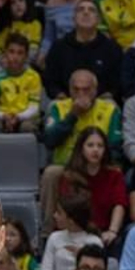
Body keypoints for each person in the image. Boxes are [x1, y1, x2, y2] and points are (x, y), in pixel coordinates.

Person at [39, 69, 122, 227]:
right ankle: (48, 231)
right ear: (69, 90)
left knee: (116, 171)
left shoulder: (110, 110)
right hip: (66, 165)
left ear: (95, 90)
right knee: (50, 173)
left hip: (98, 165)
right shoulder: (58, 108)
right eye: (76, 90)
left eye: (86, 89)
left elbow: (115, 146)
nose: (81, 94)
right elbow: (49, 140)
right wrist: (72, 115)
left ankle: (110, 228)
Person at [60, 126, 128, 253]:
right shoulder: (70, 176)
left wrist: (112, 231)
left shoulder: (114, 175)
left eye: (100, 146)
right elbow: (68, 209)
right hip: (77, 232)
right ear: (81, 148)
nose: (95, 150)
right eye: (90, 145)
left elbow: (119, 204)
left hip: (105, 233)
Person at [44, 0, 121, 102]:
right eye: (81, 9)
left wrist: (109, 95)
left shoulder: (111, 48)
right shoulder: (59, 47)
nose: (86, 12)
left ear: (98, 19)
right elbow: (50, 80)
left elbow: (119, 81)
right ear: (74, 18)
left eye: (91, 10)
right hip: (66, 101)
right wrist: (59, 95)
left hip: (101, 104)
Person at [40, 194, 103, 270]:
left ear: (71, 220)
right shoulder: (54, 237)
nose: (54, 215)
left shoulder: (94, 241)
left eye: (59, 213)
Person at [0, 33, 44, 133]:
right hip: (3, 117)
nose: (15, 57)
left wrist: (18, 117)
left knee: (27, 127)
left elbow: (34, 108)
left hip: (26, 117)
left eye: (20, 53)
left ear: (26, 56)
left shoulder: (33, 77)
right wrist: (4, 116)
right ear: (5, 53)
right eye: (11, 52)